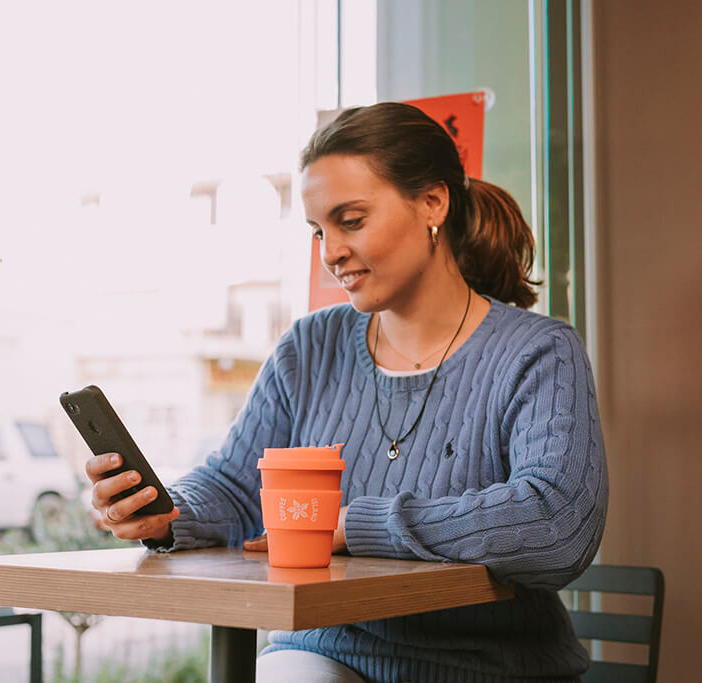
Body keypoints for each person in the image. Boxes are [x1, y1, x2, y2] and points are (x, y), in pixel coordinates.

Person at [86, 101, 608, 683]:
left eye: (351, 221)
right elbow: (237, 487)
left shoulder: (538, 351)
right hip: (325, 654)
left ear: (433, 202)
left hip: (488, 668)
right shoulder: (309, 347)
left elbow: (558, 523)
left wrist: (358, 527)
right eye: (318, 231)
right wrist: (163, 513)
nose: (330, 252)